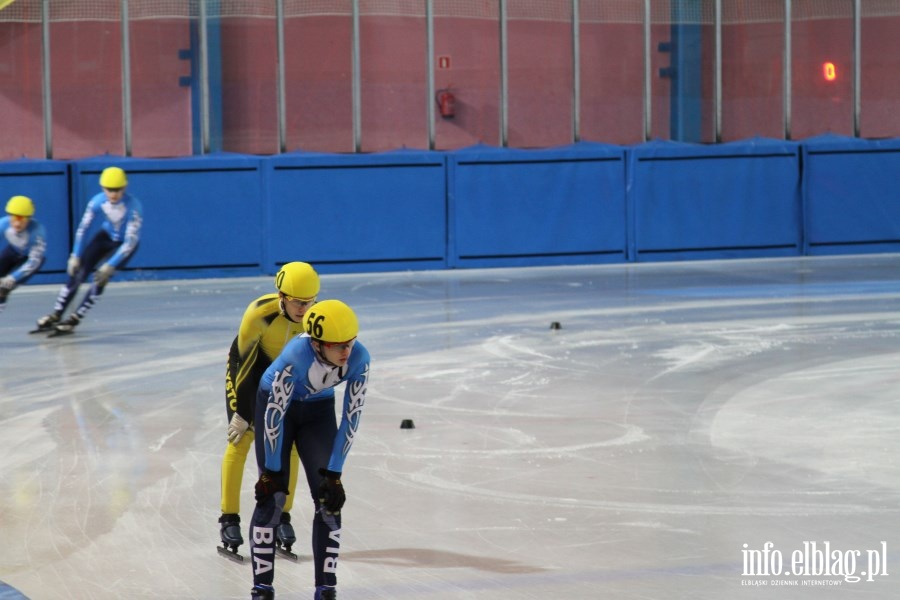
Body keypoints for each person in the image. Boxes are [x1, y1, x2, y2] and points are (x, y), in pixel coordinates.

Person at [249, 299, 370, 600]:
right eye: (338, 346)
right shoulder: (295, 357)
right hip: (278, 408)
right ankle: (262, 589)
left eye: (350, 344)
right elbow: (274, 416)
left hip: (317, 411)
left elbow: (351, 417)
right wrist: (272, 473)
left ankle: (326, 589)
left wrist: (335, 474)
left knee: (329, 499)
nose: (346, 353)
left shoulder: (360, 357)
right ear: (317, 344)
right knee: (272, 497)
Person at [219, 261, 321, 558]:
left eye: (309, 302)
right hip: (250, 368)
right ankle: (229, 517)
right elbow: (247, 366)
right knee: (241, 439)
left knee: (289, 446)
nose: (304, 309)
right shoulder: (259, 313)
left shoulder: (314, 319)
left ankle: (281, 516)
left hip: (288, 374)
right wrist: (242, 411)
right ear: (281, 295)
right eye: (297, 302)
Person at [34, 166, 143, 335]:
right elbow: (83, 229)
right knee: (78, 273)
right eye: (109, 190)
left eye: (118, 190)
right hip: (105, 237)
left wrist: (110, 265)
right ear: (102, 188)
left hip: (123, 246)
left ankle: (76, 317)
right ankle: (56, 314)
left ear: (125, 187)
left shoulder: (134, 206)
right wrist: (75, 255)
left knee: (100, 278)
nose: (113, 194)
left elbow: (130, 242)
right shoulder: (97, 201)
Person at [0, 196, 48, 313]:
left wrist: (13, 277)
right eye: (14, 219)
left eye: (21, 220)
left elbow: (33, 262)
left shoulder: (37, 232)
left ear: (29, 219)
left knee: (4, 288)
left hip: (29, 259)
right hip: (12, 251)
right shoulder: (3, 224)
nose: (16, 224)